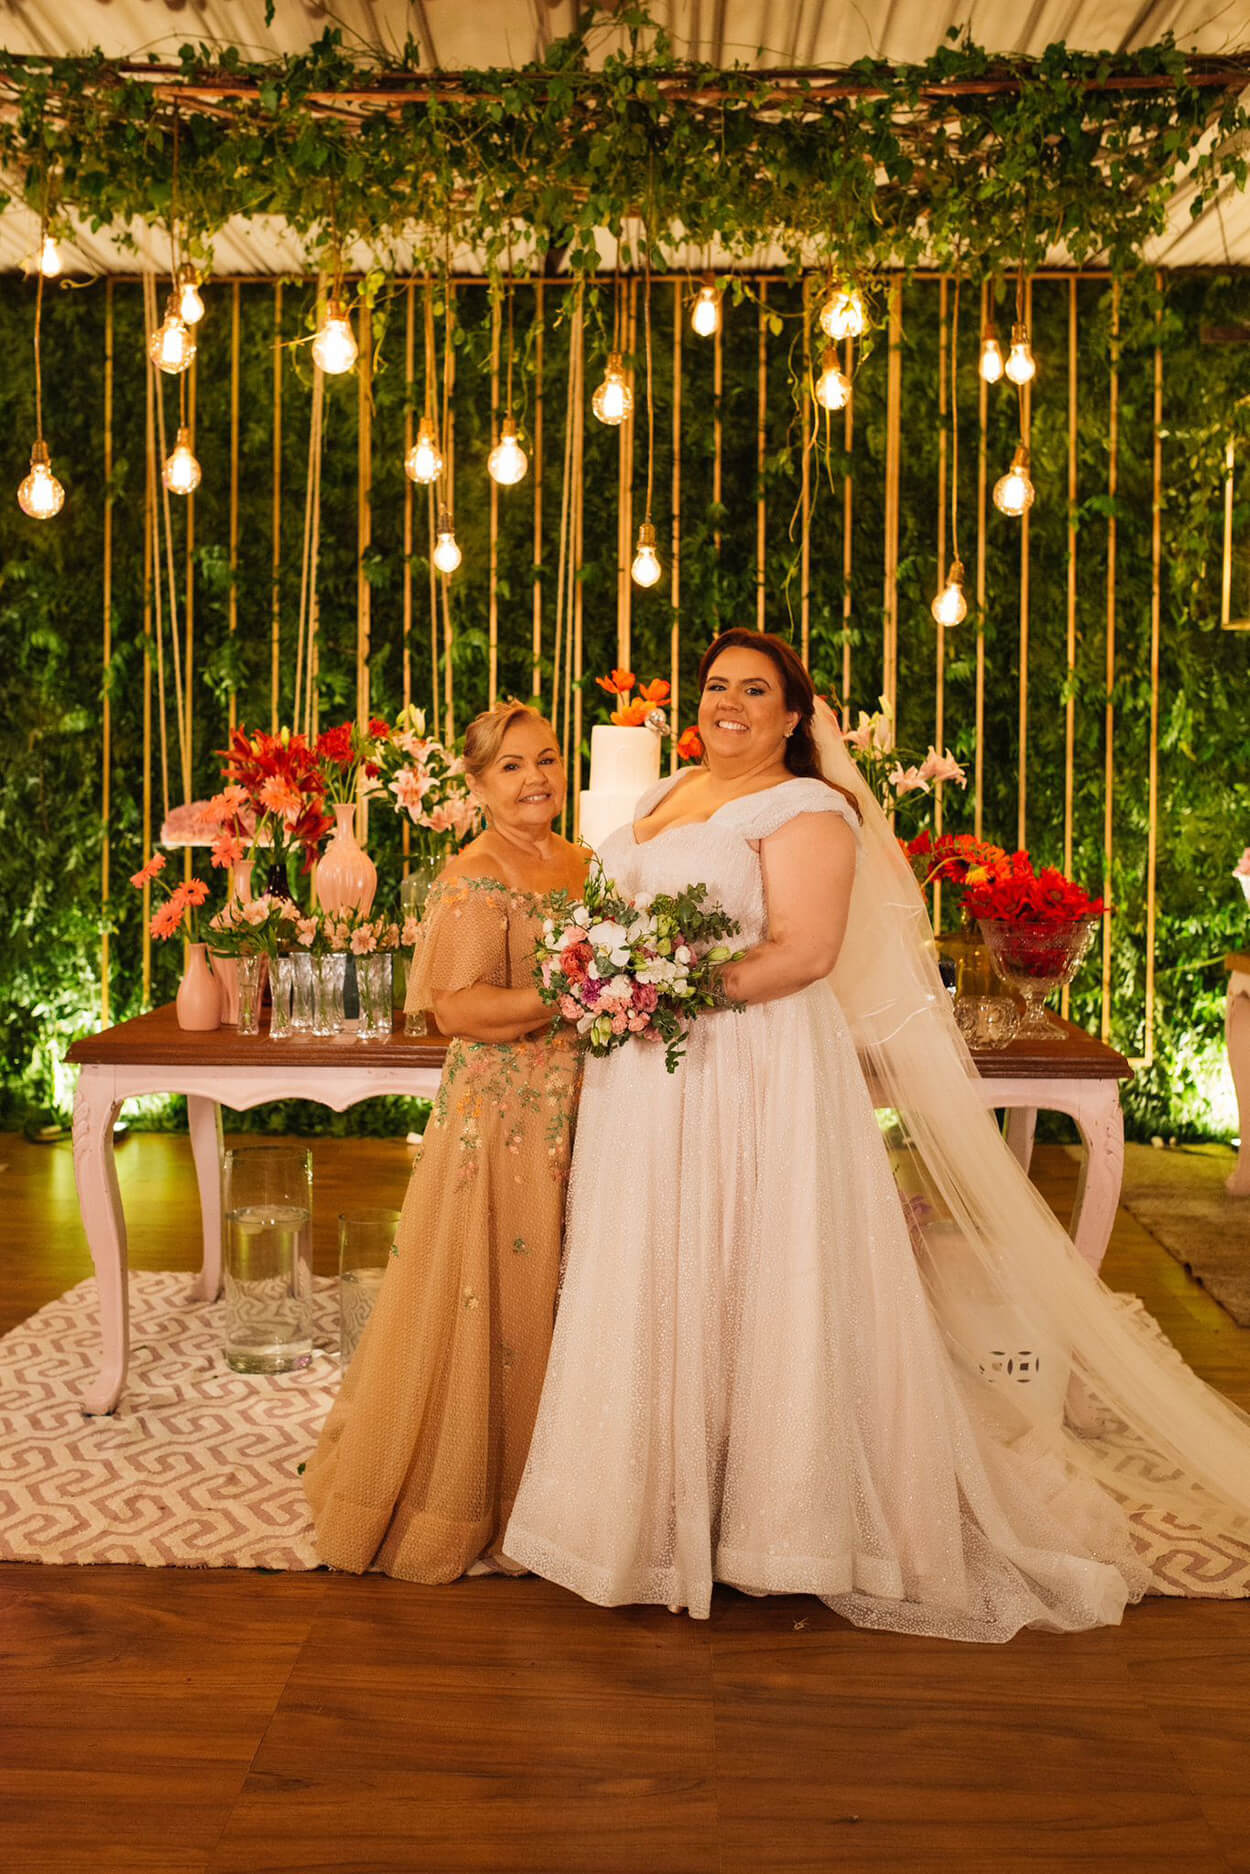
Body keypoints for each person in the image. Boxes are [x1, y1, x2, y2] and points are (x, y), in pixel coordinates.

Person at [504, 628, 1250, 1638]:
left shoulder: (809, 809)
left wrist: (651, 986)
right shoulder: (662, 794)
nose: (729, 703)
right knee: (654, 1263)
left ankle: (777, 1524)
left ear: (793, 716)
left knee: (757, 1265)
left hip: (751, 1064)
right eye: (717, 685)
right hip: (647, 1069)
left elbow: (805, 952)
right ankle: (641, 1512)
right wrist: (608, 977)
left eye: (755, 690)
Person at [305, 701, 589, 1581]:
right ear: (476, 783)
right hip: (503, 1116)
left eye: (547, 759)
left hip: (590, 1104)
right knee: (494, 1290)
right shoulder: (472, 876)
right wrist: (579, 993)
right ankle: (479, 1493)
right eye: (512, 765)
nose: (536, 777)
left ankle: (580, 1493)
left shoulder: (586, 864)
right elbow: (458, 1011)